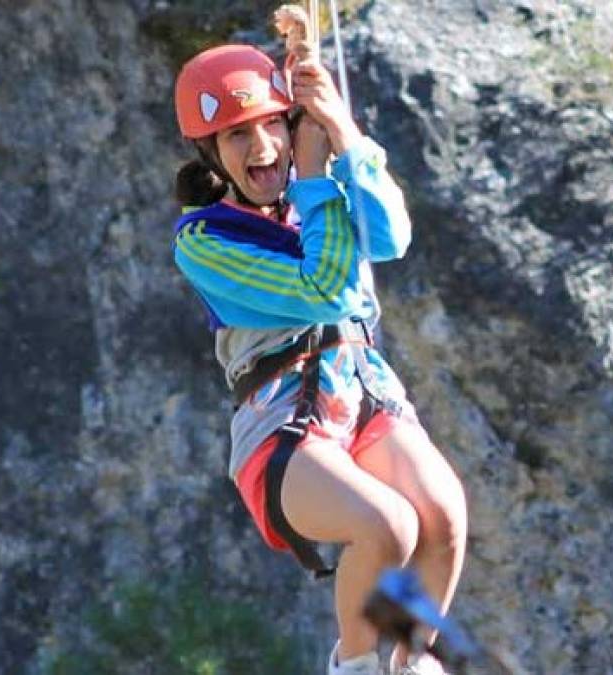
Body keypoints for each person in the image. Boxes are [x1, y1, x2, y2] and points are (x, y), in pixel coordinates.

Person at [170, 43, 467, 675]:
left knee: (442, 515)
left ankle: (411, 664)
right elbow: (325, 290)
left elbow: (391, 237)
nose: (263, 147)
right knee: (388, 524)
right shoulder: (204, 241)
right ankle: (353, 666)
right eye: (238, 135)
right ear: (210, 153)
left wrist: (342, 132)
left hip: (362, 394)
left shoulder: (317, 196)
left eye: (274, 124)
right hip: (283, 424)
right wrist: (311, 177)